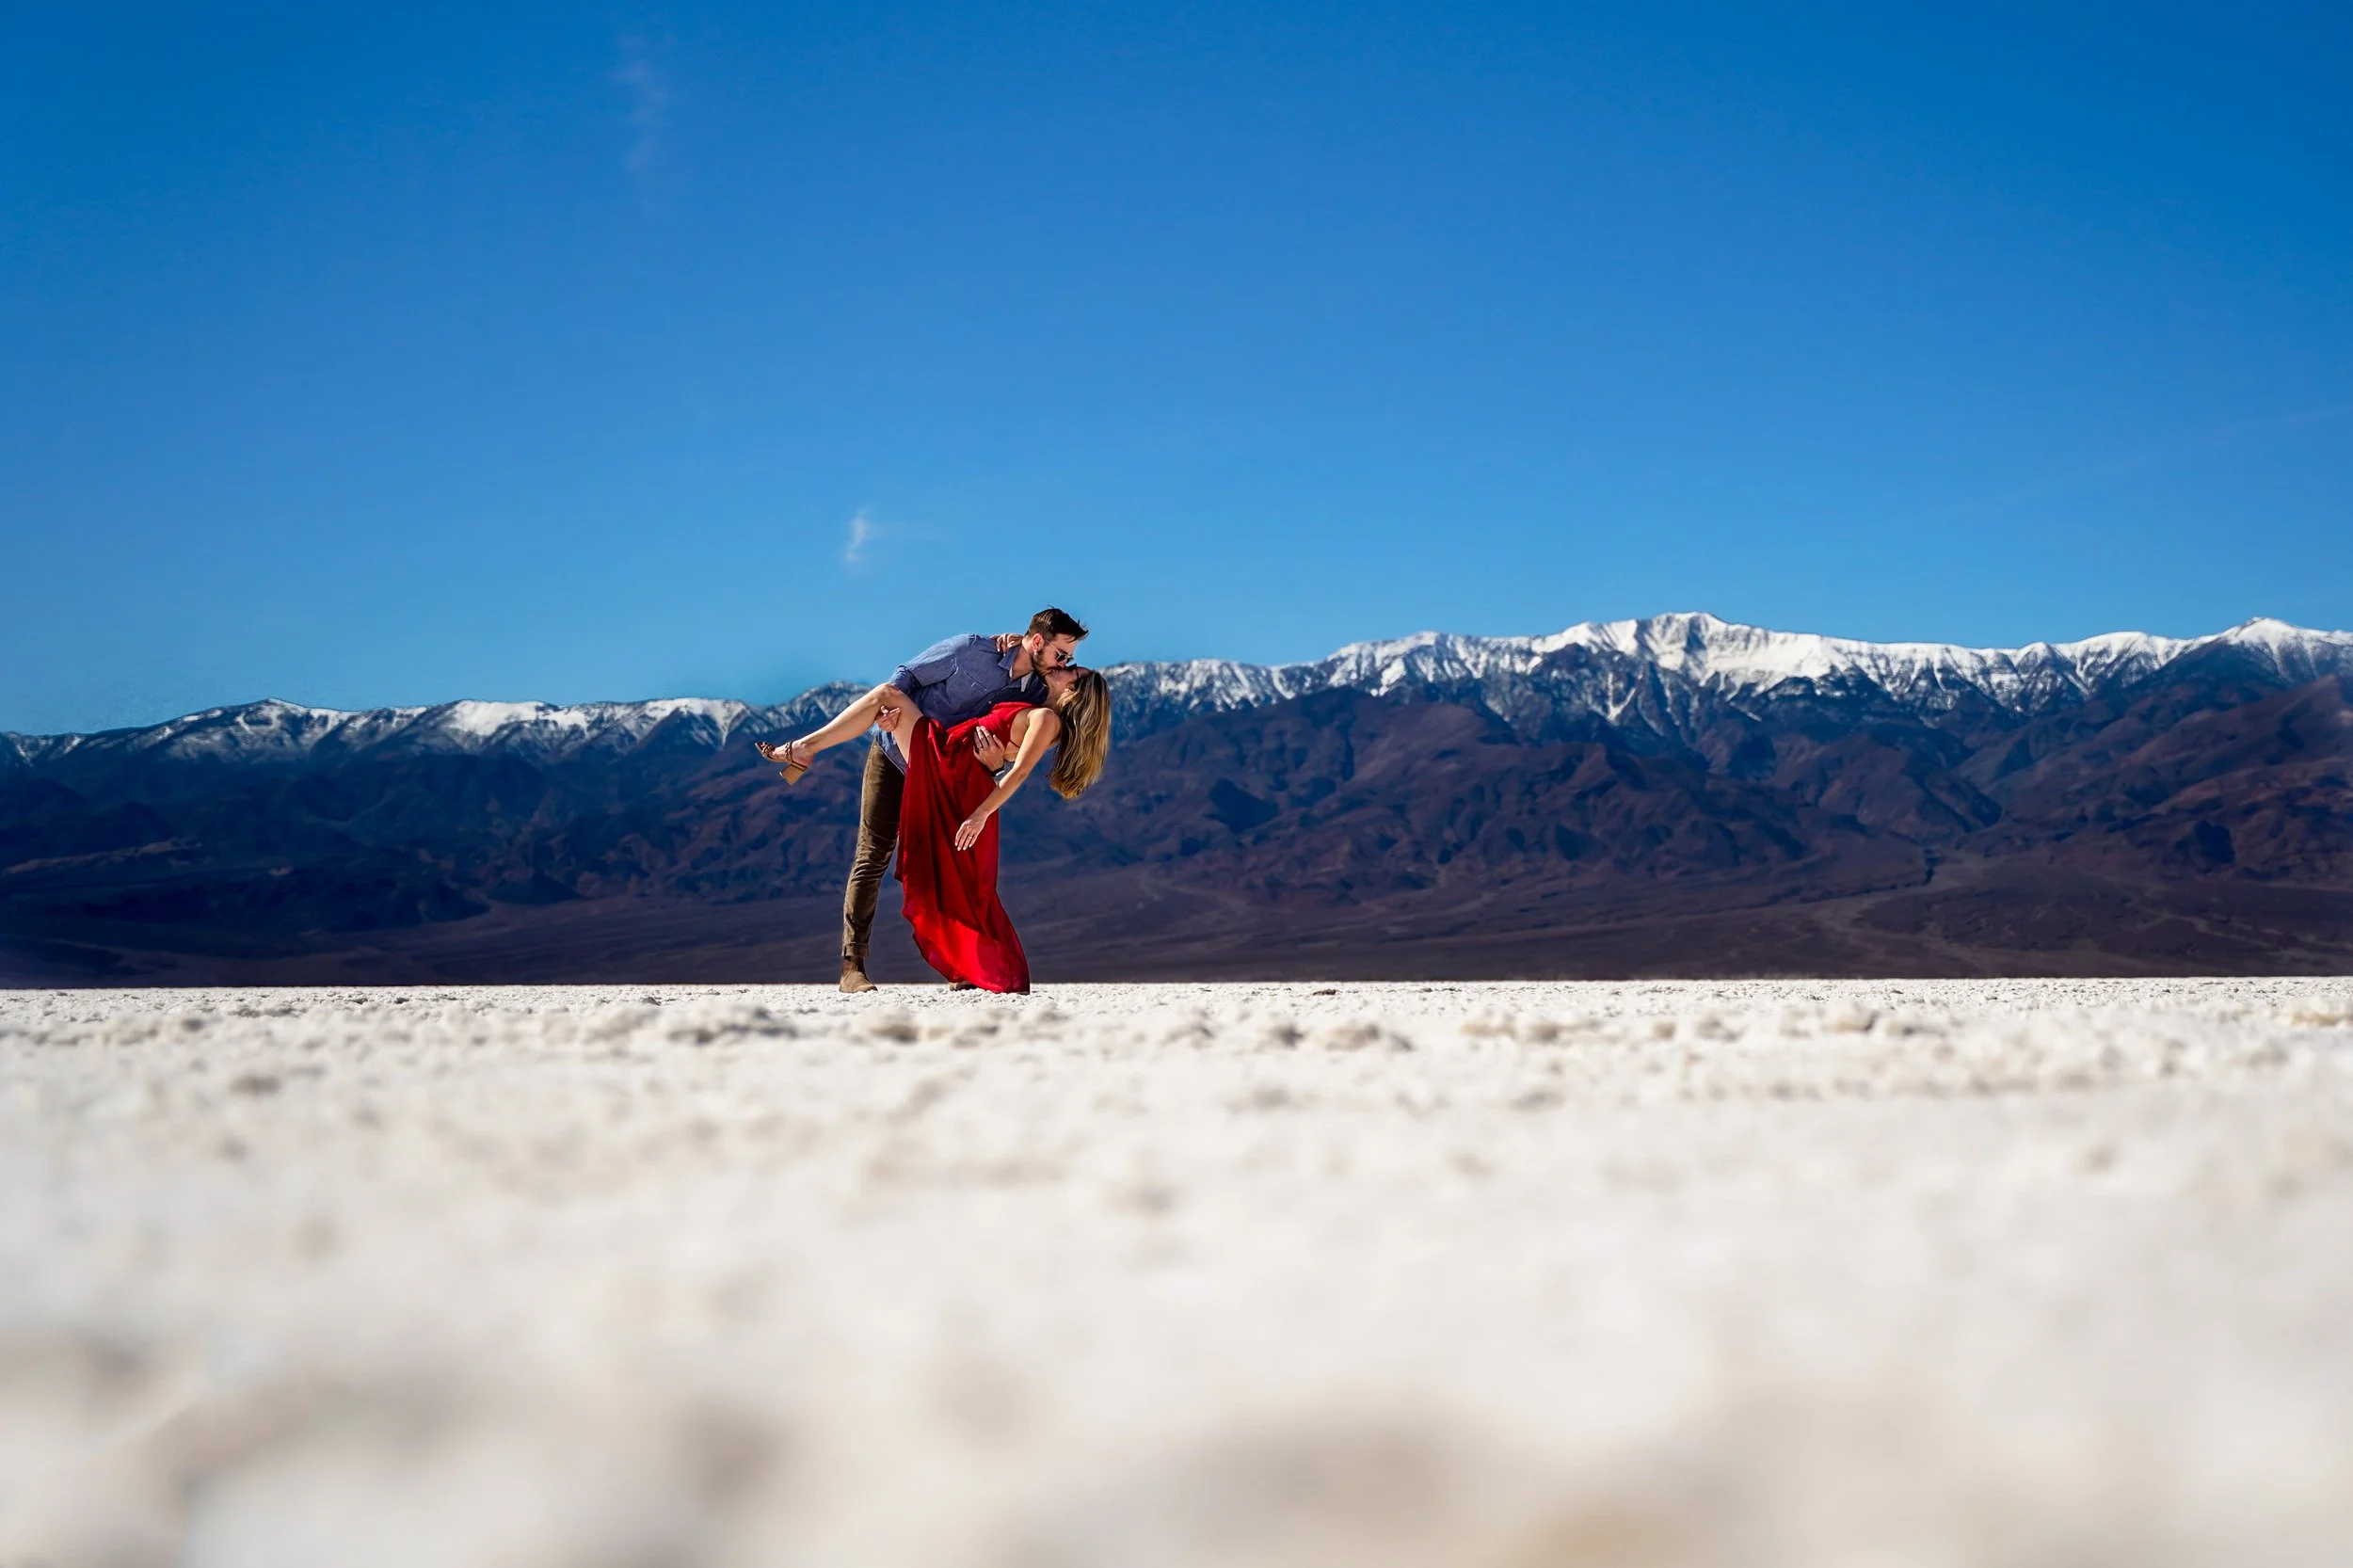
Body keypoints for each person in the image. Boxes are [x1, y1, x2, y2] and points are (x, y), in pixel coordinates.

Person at [758, 608, 1089, 992]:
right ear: (1037, 642)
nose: (1064, 663)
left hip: (947, 775)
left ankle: (965, 965)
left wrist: (996, 764)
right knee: (873, 854)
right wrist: (889, 712)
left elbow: (1014, 745)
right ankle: (852, 967)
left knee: (947, 870)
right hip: (896, 755)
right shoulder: (972, 649)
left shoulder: (1035, 692)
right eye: (1061, 655)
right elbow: (909, 676)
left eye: (1068, 660)